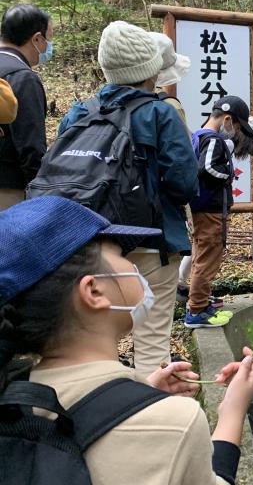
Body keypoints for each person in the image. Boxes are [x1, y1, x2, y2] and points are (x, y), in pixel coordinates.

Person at [0, 196, 253, 484]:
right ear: (94, 291)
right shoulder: (173, 424)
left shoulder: (11, 393)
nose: (133, 266)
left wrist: (134, 395)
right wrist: (233, 410)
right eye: (122, 256)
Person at [59, 21, 197, 378]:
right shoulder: (160, 112)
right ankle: (150, 420)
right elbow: (184, 183)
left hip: (90, 244)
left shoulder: (80, 112)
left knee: (94, 340)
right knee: (151, 342)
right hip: (150, 244)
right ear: (152, 67)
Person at [186, 96, 253, 328]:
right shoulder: (214, 139)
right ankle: (196, 311)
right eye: (235, 126)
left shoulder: (197, 135)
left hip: (200, 208)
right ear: (227, 119)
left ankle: (201, 303)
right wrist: (228, 175)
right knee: (209, 257)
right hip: (210, 209)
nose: (235, 131)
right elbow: (206, 168)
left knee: (200, 254)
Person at [0, 4, 51, 210]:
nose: (49, 47)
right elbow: (31, 147)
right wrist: (41, 195)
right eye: (49, 39)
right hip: (7, 188)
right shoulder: (21, 78)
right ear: (37, 39)